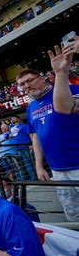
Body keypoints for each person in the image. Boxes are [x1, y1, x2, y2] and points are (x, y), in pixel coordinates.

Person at [17, 69, 79, 221]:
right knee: (73, 214)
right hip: (57, 170)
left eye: (30, 80)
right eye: (22, 84)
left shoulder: (69, 90)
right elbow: (36, 138)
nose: (27, 86)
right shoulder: (31, 107)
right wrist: (39, 166)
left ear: (42, 78)